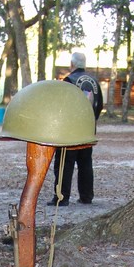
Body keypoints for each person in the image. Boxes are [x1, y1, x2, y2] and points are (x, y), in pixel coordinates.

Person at [47, 52, 103, 207]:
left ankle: (61, 197)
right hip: (88, 130)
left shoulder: (69, 80)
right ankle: (86, 196)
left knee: (64, 164)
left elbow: (62, 106)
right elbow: (99, 105)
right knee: (85, 163)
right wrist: (91, 122)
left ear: (72, 64)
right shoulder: (94, 82)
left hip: (70, 131)